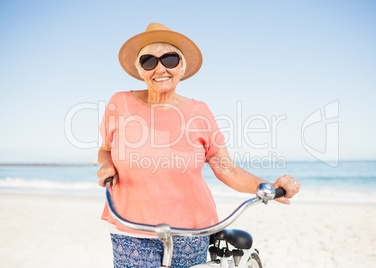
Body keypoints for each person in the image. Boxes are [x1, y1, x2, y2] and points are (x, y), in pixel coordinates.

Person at [97, 23, 300, 268]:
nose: (159, 68)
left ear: (181, 67)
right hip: (130, 227)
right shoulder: (119, 103)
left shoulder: (199, 112)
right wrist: (107, 165)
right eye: (148, 61)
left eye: (169, 59)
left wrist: (267, 186)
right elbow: (106, 149)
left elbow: (227, 169)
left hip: (191, 230)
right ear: (140, 70)